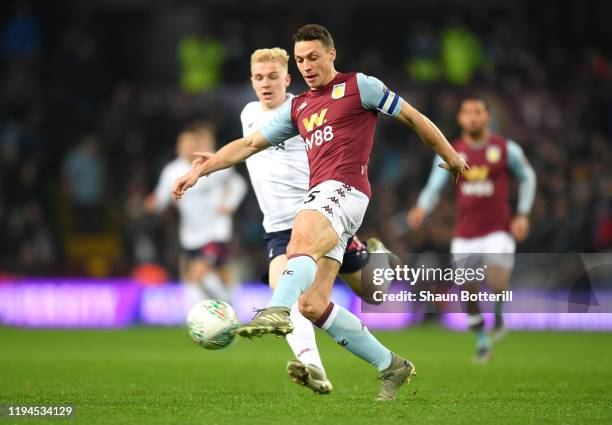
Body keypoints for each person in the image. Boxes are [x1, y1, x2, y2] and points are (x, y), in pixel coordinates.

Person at [173, 24, 467, 400]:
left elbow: (413, 118)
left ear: (331, 54)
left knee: (301, 240)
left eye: (313, 57)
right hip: (322, 199)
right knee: (314, 304)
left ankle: (277, 310)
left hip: (345, 189)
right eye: (301, 59)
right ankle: (391, 365)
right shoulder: (298, 108)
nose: (308, 65)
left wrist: (451, 156)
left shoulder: (361, 86)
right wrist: (201, 169)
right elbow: (248, 145)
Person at [235, 47, 399, 394]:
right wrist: (209, 164)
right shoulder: (248, 113)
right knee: (298, 299)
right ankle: (314, 368)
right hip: (280, 228)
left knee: (375, 292)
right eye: (259, 78)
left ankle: (380, 260)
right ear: (252, 81)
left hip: (323, 217)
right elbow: (247, 146)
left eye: (273, 77)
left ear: (287, 79)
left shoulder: (303, 109)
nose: (266, 84)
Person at [407, 96, 536, 363]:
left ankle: (499, 314)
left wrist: (522, 213)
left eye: (478, 112)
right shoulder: (452, 151)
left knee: (498, 282)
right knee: (469, 291)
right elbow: (434, 185)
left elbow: (528, 176)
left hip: (498, 231)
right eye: (467, 112)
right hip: (465, 234)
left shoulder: (504, 149)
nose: (472, 117)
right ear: (460, 118)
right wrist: (421, 208)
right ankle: (482, 342)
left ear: (487, 117)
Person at [145, 123, 246, 301]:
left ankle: (227, 309)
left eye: (190, 143)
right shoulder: (171, 171)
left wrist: (230, 204)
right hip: (190, 234)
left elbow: (238, 184)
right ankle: (220, 307)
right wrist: (151, 204)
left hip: (216, 230)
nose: (186, 147)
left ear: (196, 145)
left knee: (199, 272)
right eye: (182, 144)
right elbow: (161, 198)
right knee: (198, 277)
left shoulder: (211, 164)